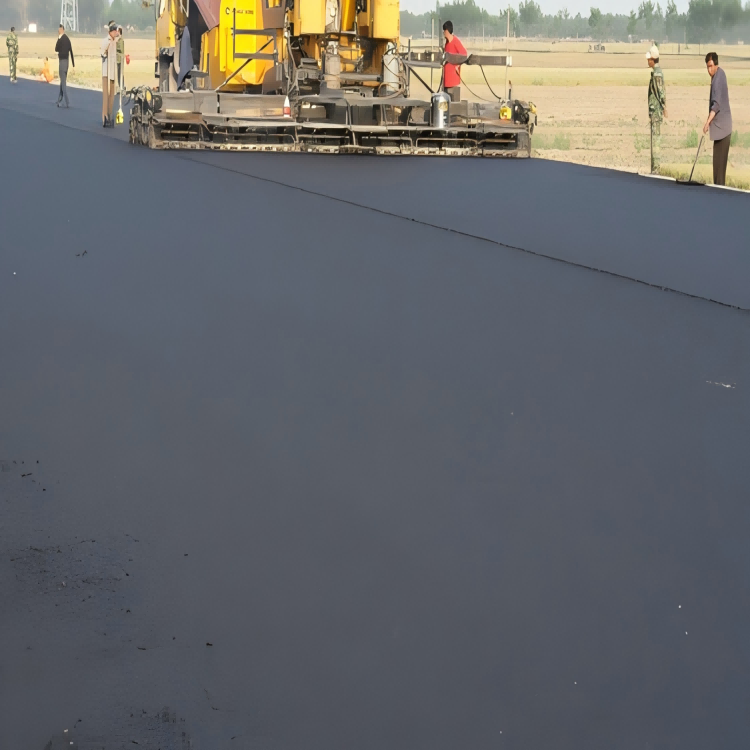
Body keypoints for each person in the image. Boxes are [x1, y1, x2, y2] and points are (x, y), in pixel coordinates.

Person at [703, 52, 732, 186]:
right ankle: (718, 191)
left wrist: (707, 122)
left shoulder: (718, 78)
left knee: (719, 168)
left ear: (716, 64)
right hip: (721, 128)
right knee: (717, 166)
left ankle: (719, 194)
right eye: (707, 67)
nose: (709, 70)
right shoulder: (718, 75)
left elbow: (717, 104)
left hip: (723, 129)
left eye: (711, 66)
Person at [646, 44, 666, 175]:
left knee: (656, 141)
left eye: (649, 59)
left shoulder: (657, 74)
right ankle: (654, 168)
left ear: (653, 59)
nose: (647, 61)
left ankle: (656, 169)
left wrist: (664, 107)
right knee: (654, 139)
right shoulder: (655, 73)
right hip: (655, 112)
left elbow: (661, 93)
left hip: (656, 112)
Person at [442, 21, 466, 103]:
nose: (443, 33)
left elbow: (464, 55)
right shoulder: (447, 43)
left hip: (453, 81)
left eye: (444, 31)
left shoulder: (455, 41)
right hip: (446, 81)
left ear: (447, 31)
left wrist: (457, 65)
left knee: (454, 105)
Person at [101, 22, 118, 127]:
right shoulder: (105, 41)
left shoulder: (115, 41)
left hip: (112, 72)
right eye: (113, 31)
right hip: (105, 72)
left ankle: (110, 115)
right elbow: (102, 54)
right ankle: (104, 117)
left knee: (112, 95)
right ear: (110, 32)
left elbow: (121, 33)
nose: (115, 32)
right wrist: (108, 46)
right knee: (105, 96)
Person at [55, 24, 75, 108]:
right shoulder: (68, 39)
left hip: (62, 62)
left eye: (59, 29)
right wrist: (73, 64)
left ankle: (67, 101)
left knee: (63, 83)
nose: (58, 31)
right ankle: (59, 99)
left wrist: (58, 38)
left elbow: (56, 49)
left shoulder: (61, 39)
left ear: (62, 30)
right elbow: (71, 52)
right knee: (62, 81)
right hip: (67, 62)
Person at [116, 26, 125, 94]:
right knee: (119, 74)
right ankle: (120, 86)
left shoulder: (121, 40)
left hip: (120, 59)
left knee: (120, 74)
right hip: (118, 59)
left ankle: (122, 87)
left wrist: (116, 48)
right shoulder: (118, 40)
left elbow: (121, 50)